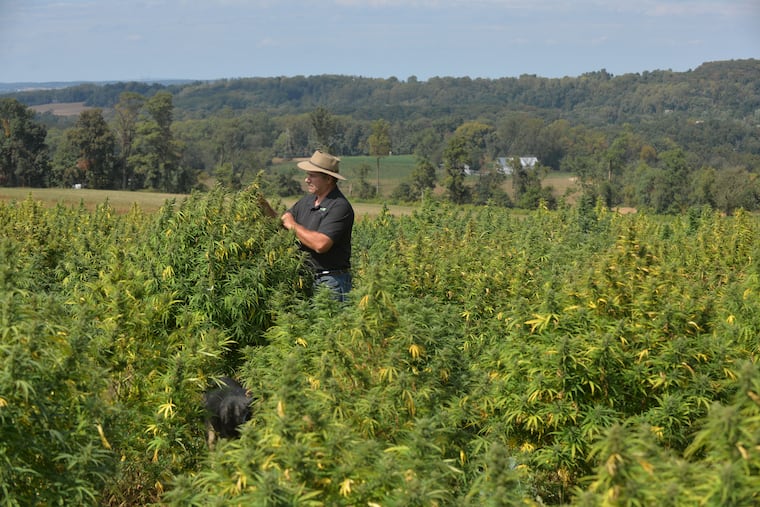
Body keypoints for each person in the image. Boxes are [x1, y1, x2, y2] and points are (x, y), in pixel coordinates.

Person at [281, 150, 354, 301]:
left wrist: (292, 224)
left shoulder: (339, 206)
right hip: (306, 280)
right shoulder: (307, 201)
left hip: (330, 283)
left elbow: (321, 244)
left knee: (329, 324)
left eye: (312, 176)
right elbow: (284, 224)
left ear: (328, 179)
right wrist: (264, 207)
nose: (307, 180)